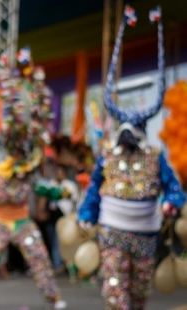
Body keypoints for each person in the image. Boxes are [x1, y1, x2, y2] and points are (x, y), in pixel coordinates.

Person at [78, 7, 186, 309]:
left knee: (138, 295)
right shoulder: (107, 156)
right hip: (112, 233)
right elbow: (93, 189)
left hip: (146, 235)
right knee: (116, 293)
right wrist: (86, 214)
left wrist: (171, 203)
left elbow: (173, 188)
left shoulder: (155, 156)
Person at [0, 49, 66, 309]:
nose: (16, 155)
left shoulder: (27, 170)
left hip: (21, 221)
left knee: (39, 256)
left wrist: (58, 193)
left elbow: (40, 187)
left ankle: (53, 297)